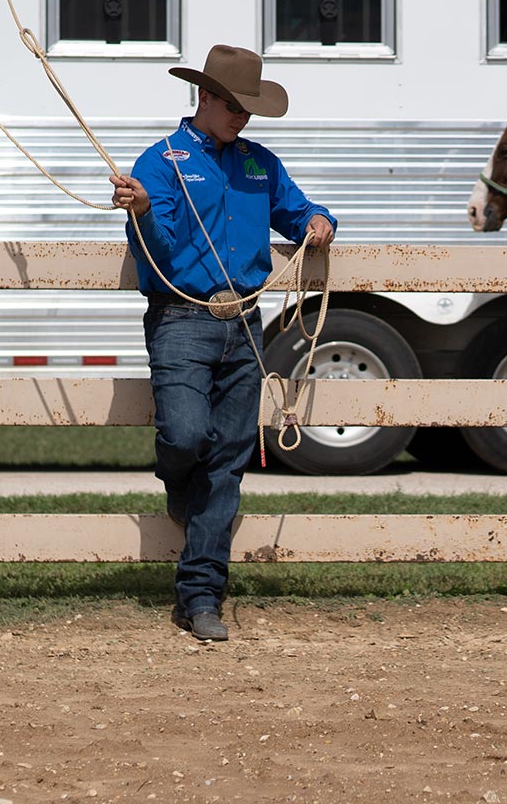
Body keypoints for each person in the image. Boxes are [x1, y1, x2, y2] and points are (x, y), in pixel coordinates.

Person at [109, 44, 335, 642]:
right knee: (185, 436)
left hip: (245, 322)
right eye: (234, 104)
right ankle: (178, 486)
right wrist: (141, 209)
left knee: (230, 456)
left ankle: (201, 593)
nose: (242, 117)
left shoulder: (259, 164)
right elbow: (154, 251)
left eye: (249, 107)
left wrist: (319, 222)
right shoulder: (162, 164)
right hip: (181, 319)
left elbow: (299, 208)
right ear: (204, 96)